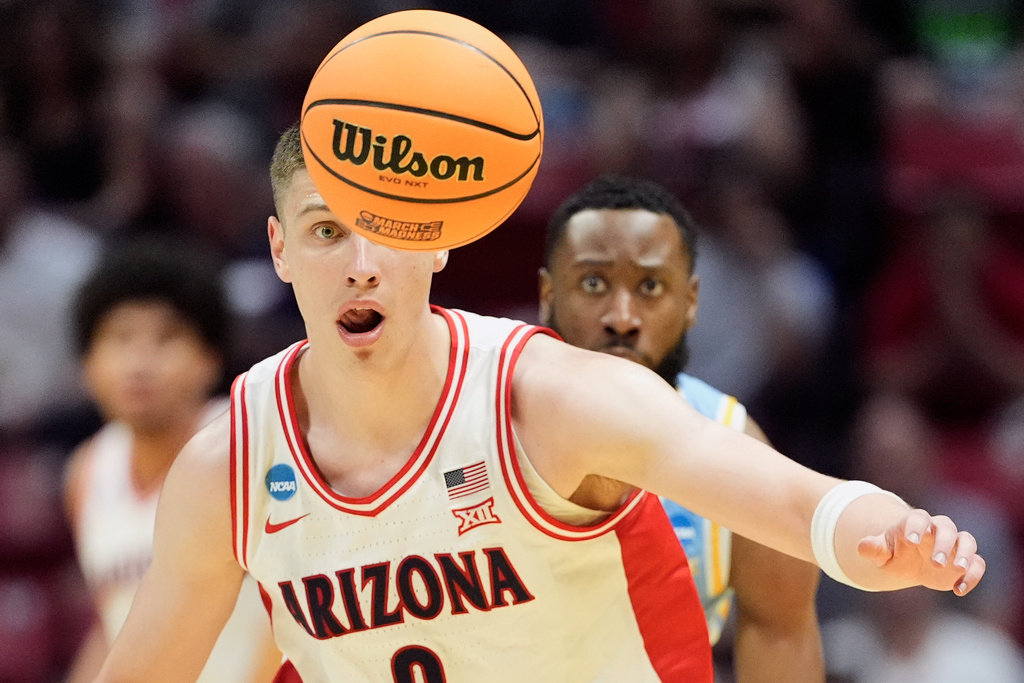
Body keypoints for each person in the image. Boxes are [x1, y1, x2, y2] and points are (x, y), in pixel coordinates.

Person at [96, 124, 985, 683]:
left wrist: (872, 527)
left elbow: (783, 494)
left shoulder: (547, 398)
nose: (361, 261)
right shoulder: (229, 468)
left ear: (438, 241)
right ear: (280, 250)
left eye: (393, 225)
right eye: (328, 229)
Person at [538, 174, 823, 681]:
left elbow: (781, 634)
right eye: (594, 283)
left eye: (649, 287)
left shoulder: (738, 443)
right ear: (547, 294)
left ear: (690, 301)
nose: (621, 318)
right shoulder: (476, 417)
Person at [63, 239, 281, 682]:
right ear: (87, 366)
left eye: (166, 338)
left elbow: (299, 613)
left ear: (210, 360)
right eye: (120, 339)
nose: (140, 363)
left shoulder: (252, 442)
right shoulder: (86, 472)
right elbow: (116, 625)